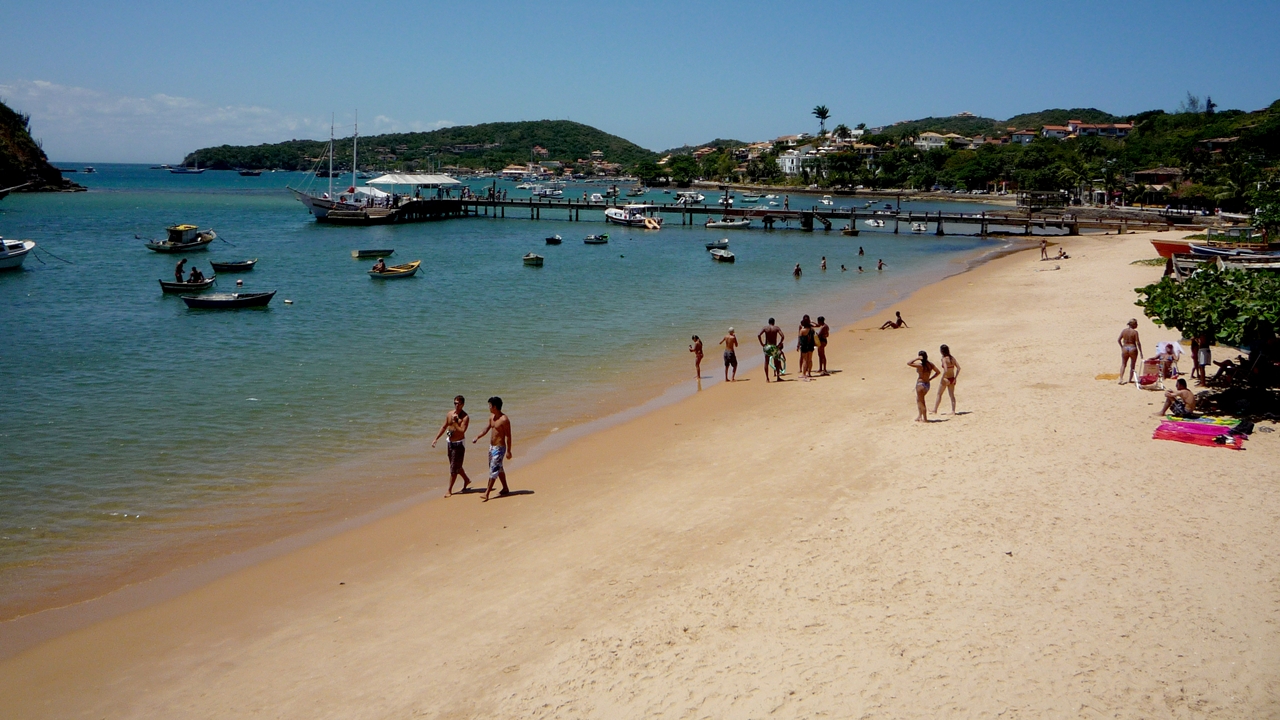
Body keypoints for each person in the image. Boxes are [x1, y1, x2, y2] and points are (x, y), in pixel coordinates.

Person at [471, 396, 512, 501]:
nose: (489, 407)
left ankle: (487, 493)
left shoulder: (504, 420)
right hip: (491, 447)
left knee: (494, 469)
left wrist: (509, 451)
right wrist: (477, 437)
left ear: (495, 406)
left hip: (500, 448)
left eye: (490, 405)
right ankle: (505, 488)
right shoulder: (492, 417)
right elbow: (486, 429)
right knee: (498, 468)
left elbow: (508, 436)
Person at [430, 395, 472, 496]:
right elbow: (444, 426)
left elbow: (462, 431)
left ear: (463, 404)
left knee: (453, 467)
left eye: (458, 403)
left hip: (459, 444)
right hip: (450, 443)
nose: (456, 405)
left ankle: (449, 490)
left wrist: (456, 422)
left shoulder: (465, 417)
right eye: (455, 403)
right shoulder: (449, 414)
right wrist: (436, 438)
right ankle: (466, 479)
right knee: (455, 465)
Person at [909, 350, 941, 422]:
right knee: (918, 400)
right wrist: (930, 378)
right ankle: (920, 416)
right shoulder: (930, 364)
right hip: (927, 384)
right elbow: (938, 372)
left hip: (920, 384)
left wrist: (917, 358)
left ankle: (925, 418)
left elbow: (909, 363)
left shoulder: (920, 365)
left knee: (921, 401)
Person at [932, 344, 961, 415]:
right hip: (952, 378)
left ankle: (935, 409)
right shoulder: (952, 358)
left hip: (946, 379)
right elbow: (959, 368)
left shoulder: (944, 359)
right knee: (952, 395)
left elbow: (945, 370)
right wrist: (955, 378)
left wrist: (942, 377)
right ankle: (953, 411)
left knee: (939, 394)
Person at [1117, 319, 1143, 384]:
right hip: (1132, 348)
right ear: (1133, 325)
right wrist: (1141, 352)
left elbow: (1119, 340)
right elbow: (1138, 342)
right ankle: (1130, 379)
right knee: (1132, 365)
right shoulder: (1135, 332)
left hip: (1125, 347)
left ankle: (1121, 379)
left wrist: (1122, 347)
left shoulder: (1124, 331)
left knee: (1123, 364)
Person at [797, 315, 816, 380]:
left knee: (805, 360)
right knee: (810, 360)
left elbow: (800, 340)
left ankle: (804, 374)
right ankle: (809, 373)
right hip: (811, 345)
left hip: (804, 346)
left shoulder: (802, 330)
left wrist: (798, 345)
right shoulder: (812, 329)